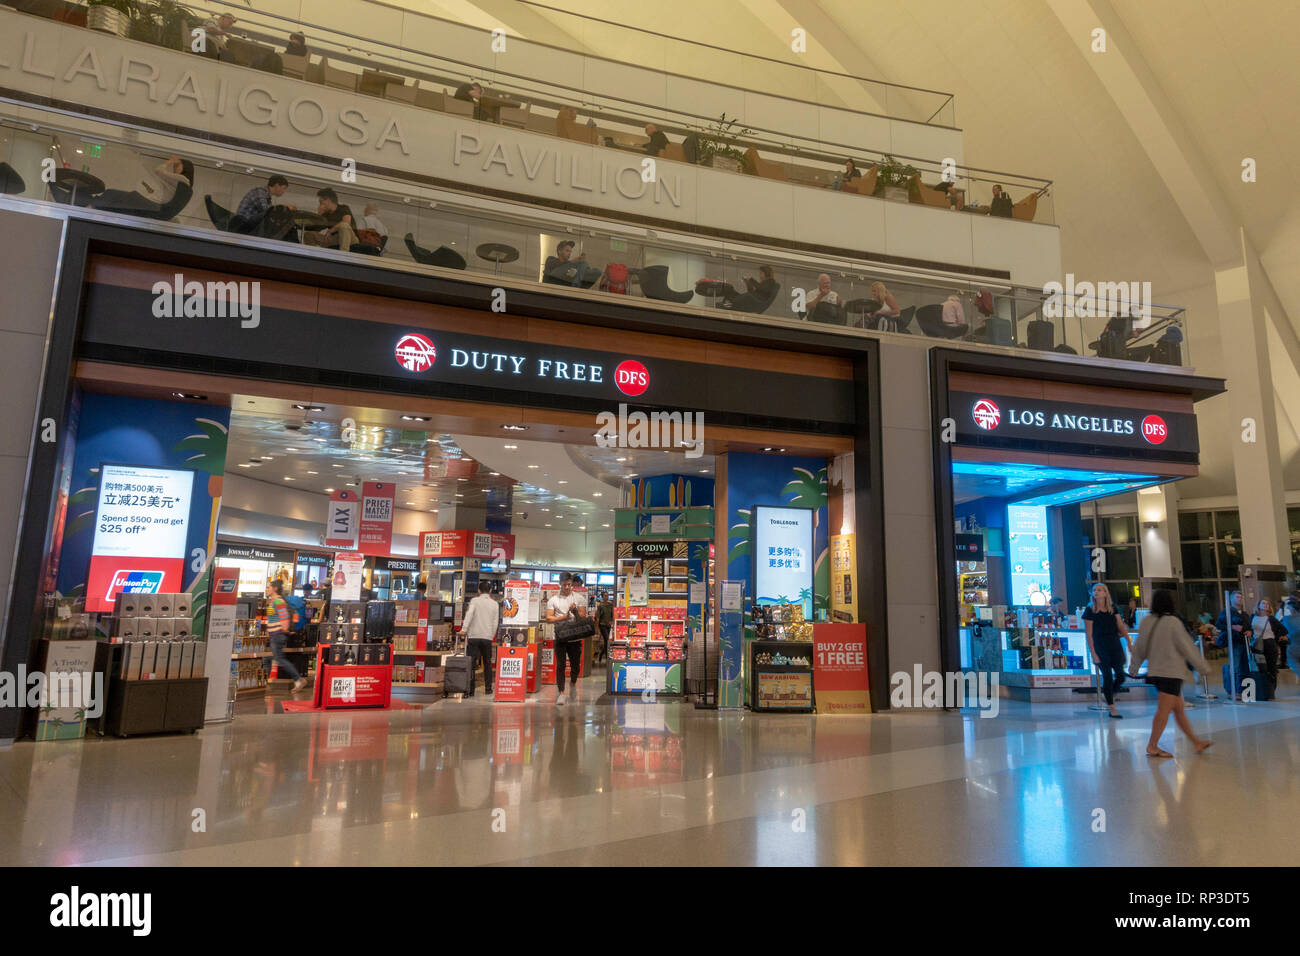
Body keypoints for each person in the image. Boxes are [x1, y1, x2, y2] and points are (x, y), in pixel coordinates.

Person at [1128, 590, 1214, 757]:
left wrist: (1134, 667)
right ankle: (1152, 746)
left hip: (1156, 673)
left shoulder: (1146, 622)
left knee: (1178, 709)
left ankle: (1196, 743)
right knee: (1164, 711)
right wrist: (1202, 667)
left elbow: (1139, 648)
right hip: (1171, 673)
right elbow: (1187, 647)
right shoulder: (1173, 622)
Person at [88, 157, 194, 218]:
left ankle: (92, 207)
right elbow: (166, 196)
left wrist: (170, 161)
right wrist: (151, 192)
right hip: (157, 207)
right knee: (119, 201)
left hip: (154, 207)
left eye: (177, 165)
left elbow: (158, 170)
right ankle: (95, 207)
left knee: (112, 193)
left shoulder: (182, 179)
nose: (174, 168)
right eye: (174, 165)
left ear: (186, 168)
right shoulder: (183, 184)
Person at [1083, 583, 1131, 718]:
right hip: (1100, 646)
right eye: (1094, 590)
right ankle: (1112, 707)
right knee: (1108, 676)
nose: (1096, 592)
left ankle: (1109, 694)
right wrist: (1093, 653)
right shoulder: (1090, 611)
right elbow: (1089, 634)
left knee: (1121, 675)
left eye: (1100, 590)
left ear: (1105, 593)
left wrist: (1128, 640)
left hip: (1114, 644)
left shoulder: (1112, 609)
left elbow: (1120, 625)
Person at [545, 572, 589, 706]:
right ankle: (562, 693)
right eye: (564, 585)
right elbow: (548, 618)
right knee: (561, 665)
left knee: (575, 666)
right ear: (560, 584)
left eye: (569, 585)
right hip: (560, 637)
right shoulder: (553, 600)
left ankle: (573, 682)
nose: (567, 587)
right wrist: (563, 617)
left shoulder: (579, 598)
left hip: (575, 637)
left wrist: (575, 611)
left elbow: (583, 617)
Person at [265, 581, 308, 692]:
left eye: (268, 587)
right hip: (275, 635)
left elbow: (284, 617)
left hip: (277, 635)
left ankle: (298, 679)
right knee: (271, 658)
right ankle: (270, 682)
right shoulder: (274, 601)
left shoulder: (278, 601)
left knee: (279, 659)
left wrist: (283, 630)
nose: (267, 589)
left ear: (274, 588)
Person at [461, 579, 500, 695]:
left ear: (479, 590)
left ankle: (471, 690)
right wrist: (491, 635)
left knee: (471, 663)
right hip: (487, 637)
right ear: (490, 591)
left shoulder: (474, 601)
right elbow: (495, 622)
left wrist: (464, 630)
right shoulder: (495, 604)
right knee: (487, 663)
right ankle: (488, 689)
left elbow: (469, 615)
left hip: (474, 636)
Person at [1214, 591, 1249, 693]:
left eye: (1241, 597)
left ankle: (1242, 690)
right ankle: (1234, 691)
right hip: (1234, 643)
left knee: (1244, 667)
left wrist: (1249, 631)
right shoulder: (1226, 612)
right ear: (1231, 599)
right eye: (1237, 597)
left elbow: (1248, 626)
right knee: (1235, 667)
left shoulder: (1245, 614)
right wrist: (1232, 626)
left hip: (1245, 644)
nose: (1240, 599)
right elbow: (1219, 625)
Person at [1248, 598, 1284, 693]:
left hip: (1270, 644)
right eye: (1263, 603)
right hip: (1257, 645)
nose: (1265, 605)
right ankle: (1262, 689)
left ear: (1269, 607)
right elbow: (1248, 629)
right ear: (1258, 605)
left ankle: (1271, 691)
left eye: (1267, 604)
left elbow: (1283, 630)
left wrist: (1276, 639)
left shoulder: (1271, 618)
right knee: (1260, 668)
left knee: (1271, 668)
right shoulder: (1252, 617)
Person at [596, 590, 614, 664]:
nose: (606, 597)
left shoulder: (610, 605)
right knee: (607, 640)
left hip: (609, 625)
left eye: (607, 595)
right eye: (605, 596)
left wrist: (612, 622)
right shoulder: (600, 606)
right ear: (602, 597)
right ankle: (607, 658)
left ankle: (601, 655)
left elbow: (612, 615)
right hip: (602, 625)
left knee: (608, 641)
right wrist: (597, 629)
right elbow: (598, 617)